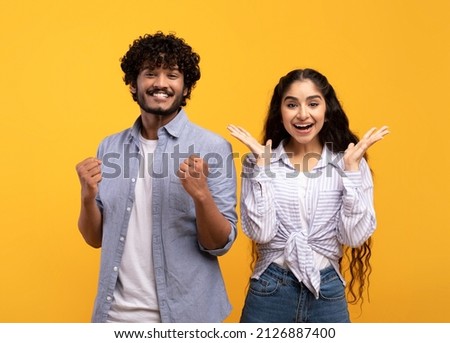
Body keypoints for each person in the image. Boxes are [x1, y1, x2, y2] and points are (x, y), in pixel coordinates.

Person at [75, 32, 238, 323]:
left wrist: (201, 196)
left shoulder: (212, 147)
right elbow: (94, 238)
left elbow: (219, 245)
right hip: (114, 317)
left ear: (185, 88)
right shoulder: (109, 147)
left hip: (187, 316)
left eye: (172, 75)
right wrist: (87, 197)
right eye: (150, 73)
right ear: (133, 84)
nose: (160, 83)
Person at [227, 68, 389, 323]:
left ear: (327, 110)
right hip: (271, 289)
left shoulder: (348, 163)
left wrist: (352, 173)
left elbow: (354, 237)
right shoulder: (258, 161)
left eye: (313, 103)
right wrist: (261, 169)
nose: (303, 114)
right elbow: (262, 233)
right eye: (292, 104)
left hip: (326, 289)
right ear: (280, 113)